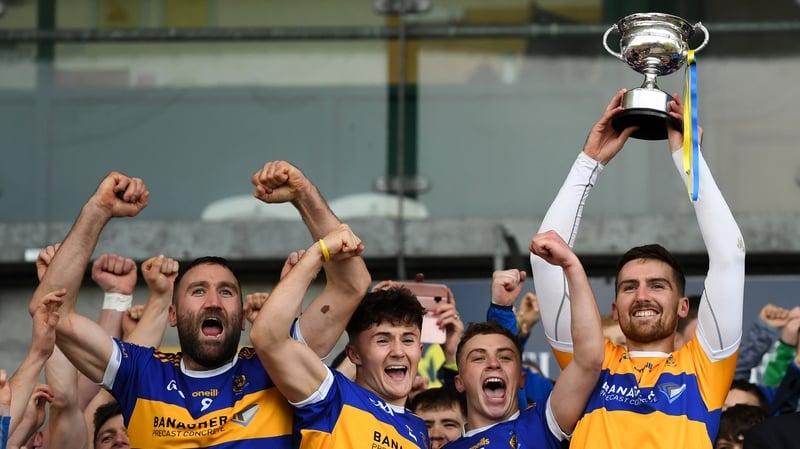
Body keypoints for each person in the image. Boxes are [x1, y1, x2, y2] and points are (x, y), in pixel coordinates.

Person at [28, 160, 370, 448]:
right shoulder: (143, 374)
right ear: (172, 315)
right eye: (198, 291)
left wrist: (303, 194)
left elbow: (351, 286)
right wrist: (97, 210)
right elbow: (50, 311)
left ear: (243, 318)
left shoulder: (275, 365)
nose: (213, 302)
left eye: (226, 292)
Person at [530, 89, 746, 448]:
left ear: (683, 306)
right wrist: (589, 162)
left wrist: (689, 160)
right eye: (629, 287)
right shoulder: (589, 364)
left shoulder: (705, 367)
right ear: (615, 309)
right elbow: (545, 256)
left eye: (657, 285)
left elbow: (730, 257)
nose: (642, 295)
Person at [249, 224, 429, 448]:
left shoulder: (420, 429)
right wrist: (318, 253)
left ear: (420, 350)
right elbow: (268, 338)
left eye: (408, 340)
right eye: (383, 340)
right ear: (354, 355)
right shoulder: (331, 396)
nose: (398, 351)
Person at [445, 231, 603, 448]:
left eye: (505, 357)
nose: (493, 364)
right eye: (478, 358)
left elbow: (589, 359)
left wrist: (571, 265)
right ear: (459, 382)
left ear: (521, 379)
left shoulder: (542, 424)